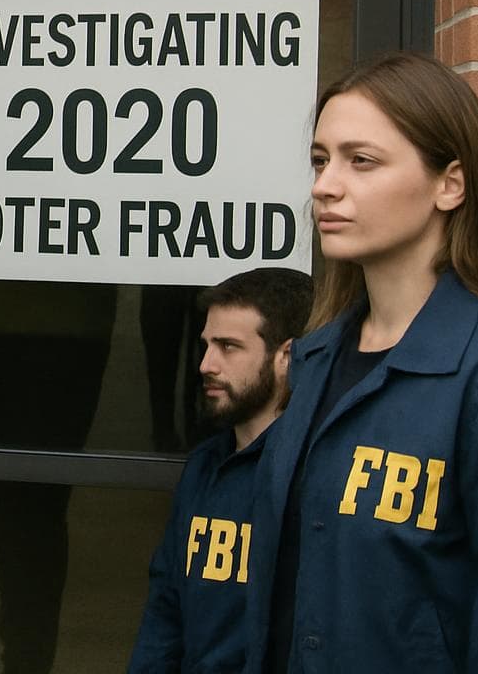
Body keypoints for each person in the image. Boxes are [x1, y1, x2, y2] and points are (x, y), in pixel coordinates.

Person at [243, 51, 478, 672]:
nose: (324, 185)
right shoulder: (317, 356)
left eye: (361, 161)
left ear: (448, 183)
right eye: (320, 160)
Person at [129, 267, 313, 673]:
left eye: (228, 347)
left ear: (287, 357)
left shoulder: (317, 473)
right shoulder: (204, 466)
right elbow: (166, 608)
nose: (206, 364)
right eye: (207, 344)